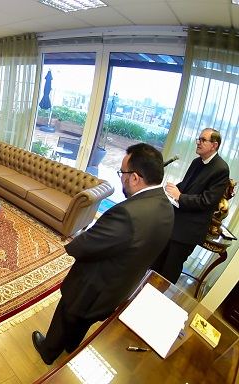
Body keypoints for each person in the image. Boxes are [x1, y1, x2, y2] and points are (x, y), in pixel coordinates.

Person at [32, 143, 174, 365]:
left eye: (122, 173)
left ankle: (48, 351)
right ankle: (71, 347)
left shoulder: (128, 213)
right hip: (118, 288)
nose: (121, 178)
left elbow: (83, 246)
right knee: (82, 322)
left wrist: (79, 240)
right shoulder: (166, 206)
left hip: (92, 285)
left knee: (67, 315)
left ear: (135, 178)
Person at [152, 128, 230, 284]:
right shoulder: (196, 162)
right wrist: (171, 190)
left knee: (168, 272)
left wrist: (179, 196)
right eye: (198, 139)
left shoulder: (221, 169)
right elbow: (185, 186)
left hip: (188, 231)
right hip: (174, 223)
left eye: (202, 140)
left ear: (214, 145)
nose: (198, 143)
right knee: (155, 264)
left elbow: (207, 201)